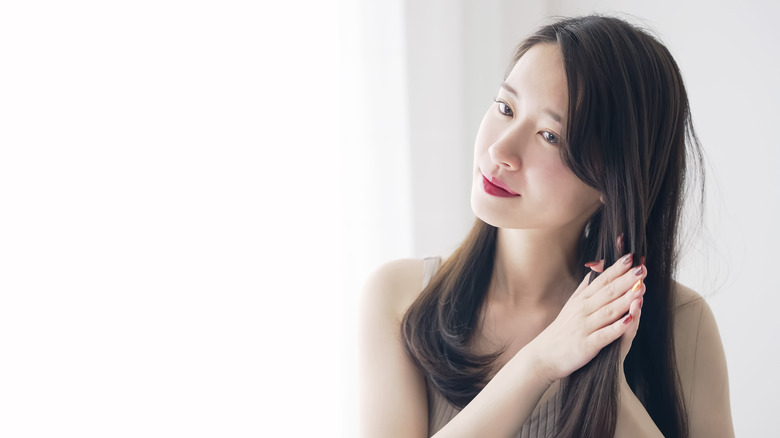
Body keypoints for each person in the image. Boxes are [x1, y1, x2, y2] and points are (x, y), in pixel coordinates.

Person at [358, 15, 734, 438]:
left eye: (550, 136)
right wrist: (540, 362)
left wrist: (612, 388)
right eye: (505, 108)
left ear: (611, 182)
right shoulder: (402, 297)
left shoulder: (683, 324)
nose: (501, 150)